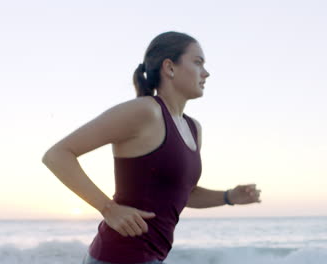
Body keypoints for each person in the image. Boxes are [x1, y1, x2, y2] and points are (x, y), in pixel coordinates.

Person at [42, 31, 262, 264]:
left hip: (152, 258)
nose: (206, 73)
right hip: (117, 256)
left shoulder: (193, 128)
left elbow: (183, 193)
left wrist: (229, 197)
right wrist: (108, 208)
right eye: (198, 63)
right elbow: (57, 155)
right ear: (170, 67)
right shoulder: (145, 111)